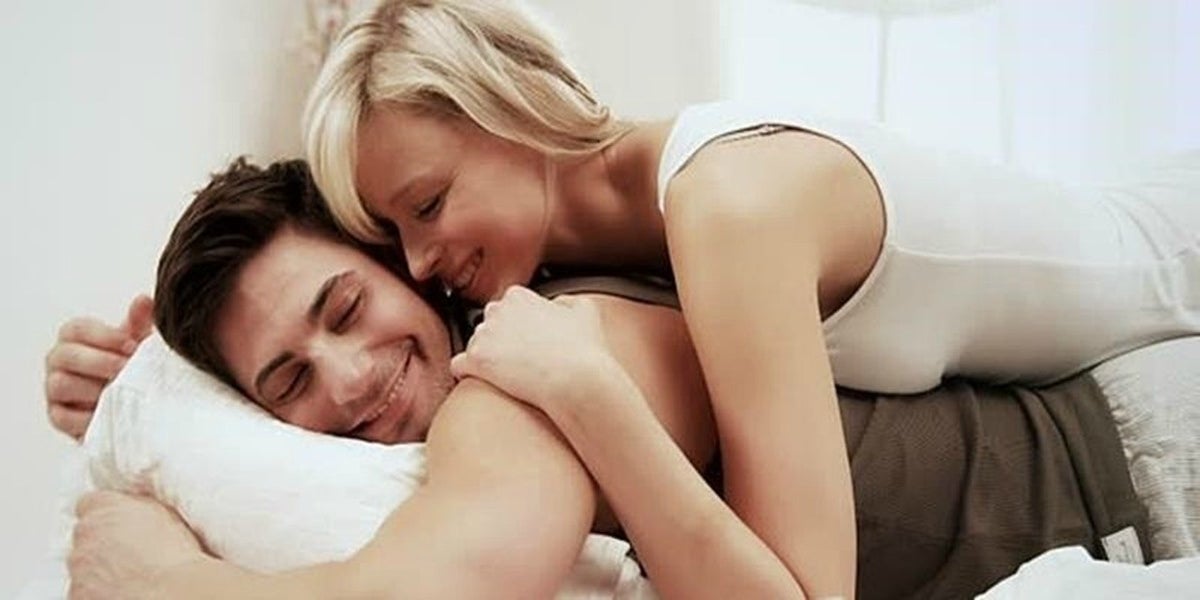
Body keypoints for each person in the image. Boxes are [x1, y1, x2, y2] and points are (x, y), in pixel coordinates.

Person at [302, 0, 1200, 596]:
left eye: (428, 205)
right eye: (394, 233)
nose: (418, 260)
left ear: (511, 107)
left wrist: (587, 392)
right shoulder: (597, 250)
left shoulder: (726, 208)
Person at [53, 158, 1152, 600]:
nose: (345, 380)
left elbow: (432, 596)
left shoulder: (520, 374)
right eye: (287, 382)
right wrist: (136, 402)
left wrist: (165, 579)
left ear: (406, 264)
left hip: (1136, 480)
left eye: (345, 309)